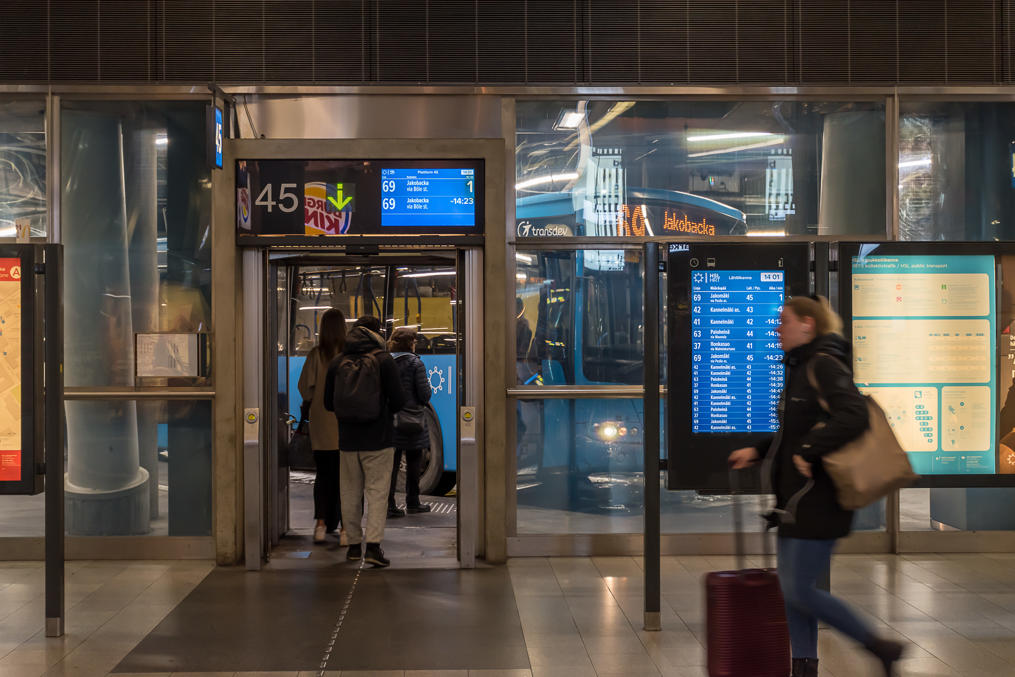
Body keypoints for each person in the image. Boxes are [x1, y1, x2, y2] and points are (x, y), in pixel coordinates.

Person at [728, 296, 906, 677]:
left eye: (784, 321)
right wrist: (758, 450)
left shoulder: (823, 365)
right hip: (795, 499)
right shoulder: (801, 366)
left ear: (808, 324)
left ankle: (878, 645)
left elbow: (854, 414)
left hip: (821, 499)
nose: (777, 329)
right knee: (793, 592)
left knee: (798, 590)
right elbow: (794, 431)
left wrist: (811, 449)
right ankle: (803, 666)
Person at [324, 315, 406, 568]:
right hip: (379, 439)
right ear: (377, 333)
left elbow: (328, 404)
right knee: (377, 493)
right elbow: (400, 401)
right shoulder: (384, 361)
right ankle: (372, 548)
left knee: (349, 493)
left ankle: (352, 548)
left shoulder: (338, 362)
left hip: (348, 440)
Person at [297, 308, 346, 546]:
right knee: (347, 478)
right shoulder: (350, 354)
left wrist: (315, 398)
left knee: (324, 476)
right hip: (347, 423)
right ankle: (347, 530)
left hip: (322, 422)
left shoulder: (317, 354)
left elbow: (305, 387)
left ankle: (320, 524)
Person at [386, 326, 433, 518]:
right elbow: (424, 394)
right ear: (410, 343)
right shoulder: (416, 363)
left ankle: (389, 505)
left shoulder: (386, 361)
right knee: (414, 462)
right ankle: (412, 502)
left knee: (391, 465)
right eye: (414, 342)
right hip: (413, 419)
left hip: (392, 419)